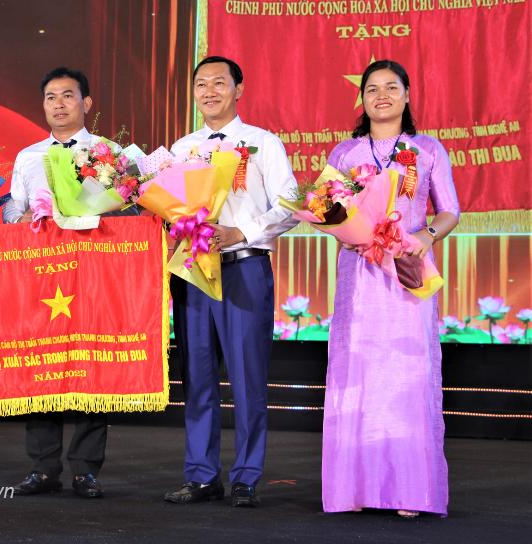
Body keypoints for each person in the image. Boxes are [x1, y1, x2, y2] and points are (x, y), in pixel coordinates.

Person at [321, 60, 459, 518]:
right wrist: (351, 232)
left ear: (406, 95)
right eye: (372, 88)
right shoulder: (345, 152)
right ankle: (354, 488)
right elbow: (326, 212)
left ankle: (409, 490)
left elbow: (449, 211)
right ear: (361, 98)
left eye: (391, 87)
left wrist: (425, 237)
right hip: (359, 275)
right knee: (356, 370)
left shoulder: (428, 149)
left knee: (406, 372)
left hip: (406, 269)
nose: (381, 95)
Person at [164, 56, 298, 507]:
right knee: (197, 377)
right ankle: (202, 475)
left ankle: (246, 475)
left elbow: (290, 205)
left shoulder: (263, 142)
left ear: (238, 89)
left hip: (244, 267)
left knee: (247, 376)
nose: (209, 92)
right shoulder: (181, 148)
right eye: (201, 84)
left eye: (219, 83)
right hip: (193, 272)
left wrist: (241, 232)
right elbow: (168, 207)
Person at [2, 67, 109, 499]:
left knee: (91, 365)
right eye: (51, 97)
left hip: (93, 275)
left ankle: (85, 469)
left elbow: (127, 210)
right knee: (40, 364)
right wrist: (20, 217)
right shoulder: (27, 156)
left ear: (86, 103)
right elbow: (12, 209)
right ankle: (43, 466)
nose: (58, 104)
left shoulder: (108, 151)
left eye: (68, 95)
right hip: (40, 276)